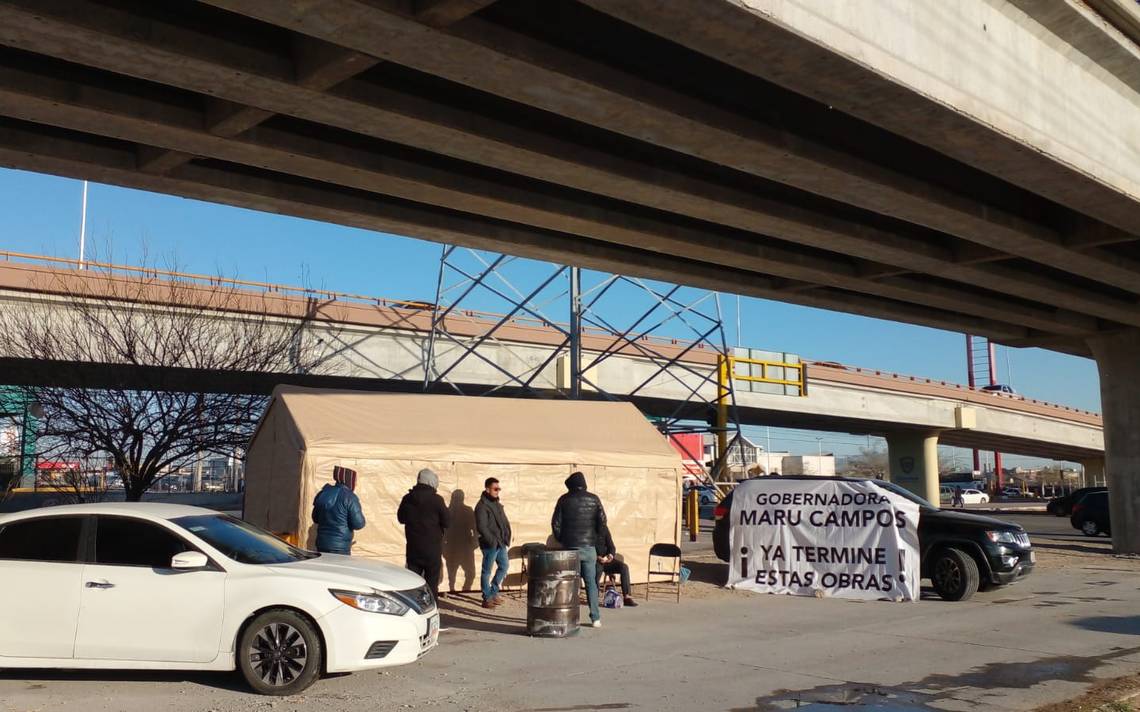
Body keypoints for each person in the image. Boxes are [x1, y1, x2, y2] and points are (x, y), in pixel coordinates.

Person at [552, 471, 608, 628]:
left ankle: (570, 616)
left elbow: (556, 524)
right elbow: (603, 522)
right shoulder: (594, 499)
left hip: (570, 548)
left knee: (570, 583)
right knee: (591, 583)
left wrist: (562, 539)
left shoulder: (563, 499)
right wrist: (596, 540)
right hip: (589, 548)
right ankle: (595, 618)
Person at [397, 468, 450, 601]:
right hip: (432, 548)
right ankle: (432, 610)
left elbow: (401, 518)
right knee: (432, 584)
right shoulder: (437, 500)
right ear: (431, 482)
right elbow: (447, 522)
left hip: (413, 547)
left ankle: (413, 610)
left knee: (413, 583)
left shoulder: (407, 498)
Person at [474, 477, 512, 609]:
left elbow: (504, 521)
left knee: (504, 566)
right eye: (495, 489)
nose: (497, 491)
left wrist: (507, 535)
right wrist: (492, 541)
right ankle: (487, 598)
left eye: (498, 489)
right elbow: (482, 527)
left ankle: (494, 591)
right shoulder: (481, 506)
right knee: (487, 571)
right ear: (487, 489)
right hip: (490, 544)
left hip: (500, 542)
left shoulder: (496, 503)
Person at [311, 466, 366, 555]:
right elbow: (359, 524)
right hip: (340, 547)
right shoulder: (350, 497)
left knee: (323, 568)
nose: (355, 484)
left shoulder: (323, 493)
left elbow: (315, 518)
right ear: (349, 480)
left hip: (321, 544)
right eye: (354, 481)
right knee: (339, 568)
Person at [596, 525, 638, 608]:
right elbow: (587, 548)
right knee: (596, 570)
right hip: (595, 560)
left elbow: (612, 546)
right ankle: (594, 598)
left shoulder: (604, 529)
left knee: (624, 567)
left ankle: (627, 597)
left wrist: (610, 556)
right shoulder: (589, 529)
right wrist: (597, 557)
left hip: (607, 560)